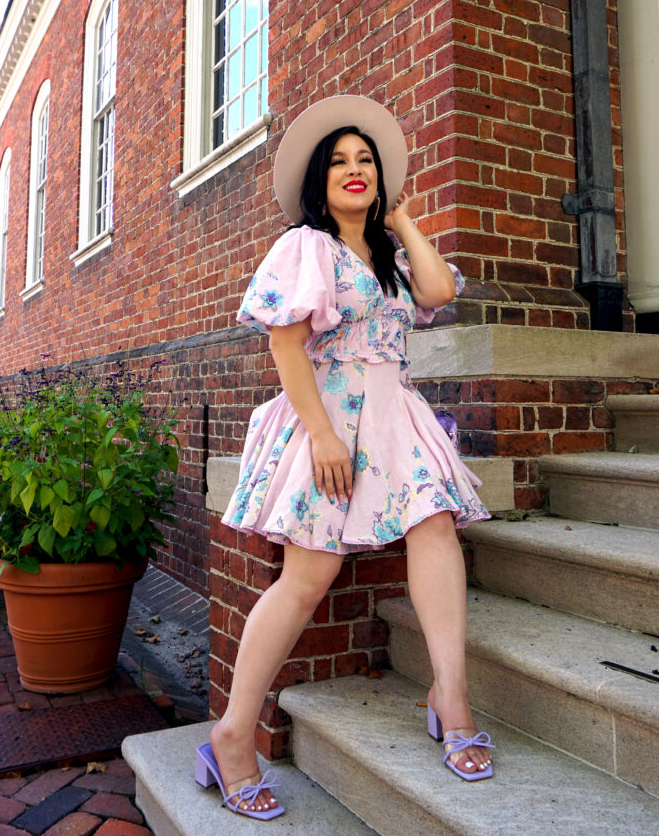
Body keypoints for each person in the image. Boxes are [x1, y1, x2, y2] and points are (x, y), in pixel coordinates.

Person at [195, 96, 494, 820]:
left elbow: (439, 290)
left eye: (366, 161)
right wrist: (323, 435)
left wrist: (401, 220)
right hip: (327, 415)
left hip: (396, 416)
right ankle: (232, 736)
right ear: (318, 182)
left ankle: (449, 699)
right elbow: (284, 343)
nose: (354, 171)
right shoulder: (306, 246)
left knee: (434, 528)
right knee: (307, 575)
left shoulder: (387, 255)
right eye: (339, 162)